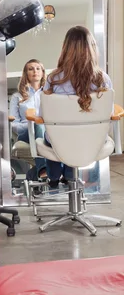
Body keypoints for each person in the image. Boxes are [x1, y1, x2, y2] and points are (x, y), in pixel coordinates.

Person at [42, 25, 112, 190]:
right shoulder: (103, 79)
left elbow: (42, 114)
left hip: (60, 141)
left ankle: (53, 179)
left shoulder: (53, 79)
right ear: (92, 48)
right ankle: (70, 178)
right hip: (92, 141)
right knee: (78, 137)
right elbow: (109, 112)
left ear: (65, 49)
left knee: (52, 136)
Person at [9, 58, 47, 180]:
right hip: (26, 134)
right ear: (26, 74)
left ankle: (32, 175)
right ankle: (44, 169)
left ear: (42, 72)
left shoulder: (49, 94)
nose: (35, 71)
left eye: (38, 68)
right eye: (31, 69)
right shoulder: (17, 96)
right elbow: (14, 124)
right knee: (37, 125)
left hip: (48, 132)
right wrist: (31, 126)